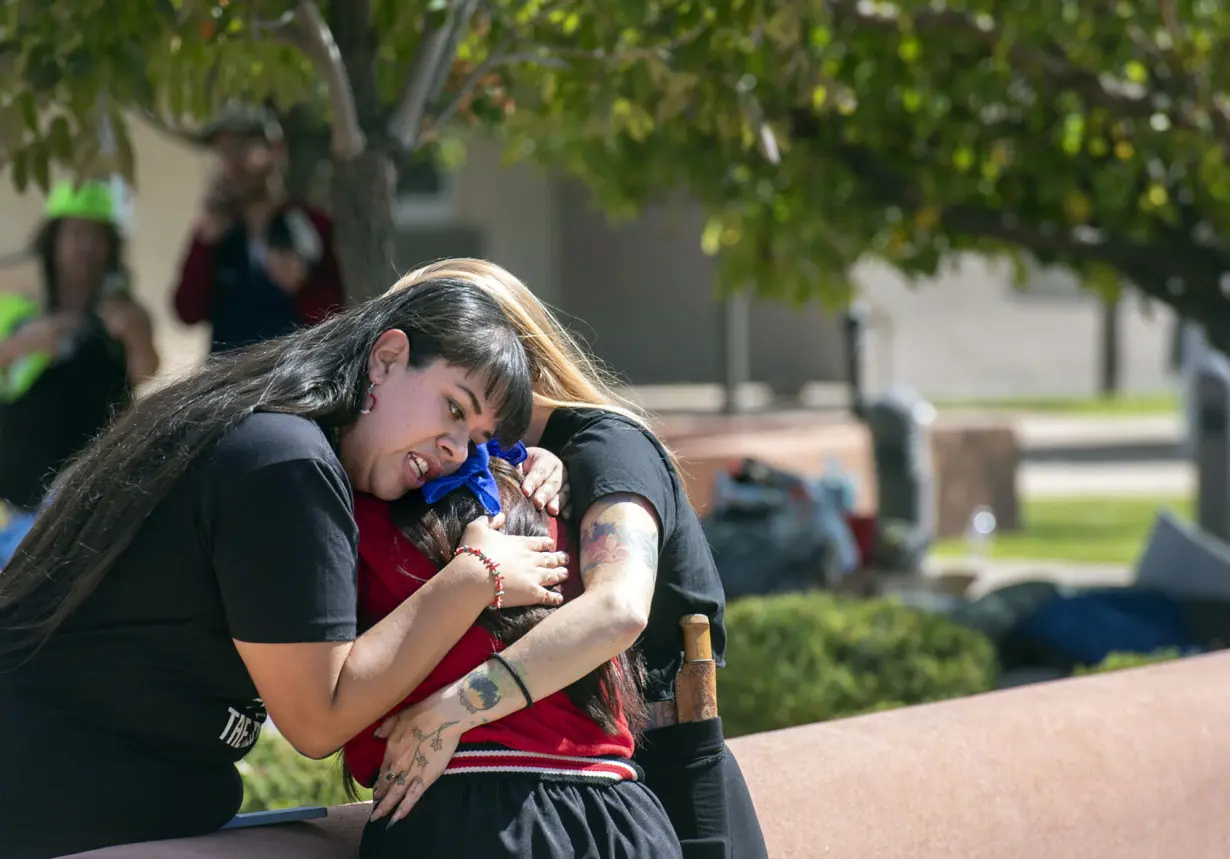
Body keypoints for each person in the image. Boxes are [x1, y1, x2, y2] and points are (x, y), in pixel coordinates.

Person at [0, 277, 571, 859]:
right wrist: (475, 575)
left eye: (476, 440)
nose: (456, 450)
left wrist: (527, 467)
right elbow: (317, 722)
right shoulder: (286, 464)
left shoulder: (270, 432)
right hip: (51, 817)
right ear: (387, 359)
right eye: (453, 408)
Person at [368, 260, 770, 859]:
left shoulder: (604, 446)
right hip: (588, 782)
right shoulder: (496, 464)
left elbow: (619, 609)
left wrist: (453, 711)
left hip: (669, 779)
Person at [345, 446, 683, 858]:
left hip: (465, 816)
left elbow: (320, 702)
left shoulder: (352, 511)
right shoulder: (546, 486)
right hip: (623, 817)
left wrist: (449, 712)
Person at [0, 180, 159, 560]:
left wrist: (137, 338)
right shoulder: (15, 304)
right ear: (53, 239)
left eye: (98, 236)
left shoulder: (125, 311)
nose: (86, 247)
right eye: (76, 232)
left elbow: (147, 376)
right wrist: (26, 343)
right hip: (15, 506)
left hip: (93, 507)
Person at [173, 103, 345, 353]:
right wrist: (205, 244)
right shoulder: (216, 231)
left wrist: (301, 286)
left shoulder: (311, 224)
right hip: (228, 386)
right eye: (224, 152)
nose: (232, 163)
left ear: (275, 150)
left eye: (243, 148)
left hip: (292, 382)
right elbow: (187, 312)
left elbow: (338, 319)